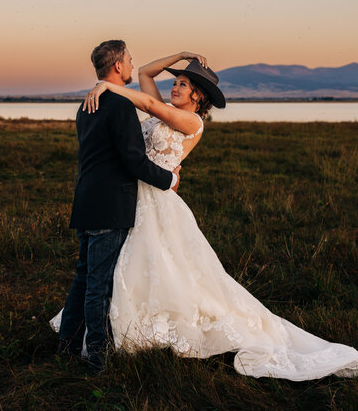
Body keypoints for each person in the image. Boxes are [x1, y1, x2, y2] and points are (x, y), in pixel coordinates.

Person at [76, 50, 358, 381]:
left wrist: (107, 87)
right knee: (126, 266)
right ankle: (117, 333)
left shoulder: (191, 121)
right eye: (177, 82)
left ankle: (145, 335)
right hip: (131, 197)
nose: (175, 87)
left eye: (182, 84)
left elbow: (151, 106)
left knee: (161, 268)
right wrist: (181, 55)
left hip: (157, 202)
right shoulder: (167, 109)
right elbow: (146, 76)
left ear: (198, 96)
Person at [51, 40, 180, 373]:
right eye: (129, 59)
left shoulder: (87, 105)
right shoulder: (121, 106)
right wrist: (169, 180)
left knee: (83, 278)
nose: (132, 63)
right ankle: (97, 357)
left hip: (86, 201)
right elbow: (134, 161)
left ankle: (67, 345)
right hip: (110, 206)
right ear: (118, 67)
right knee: (98, 284)